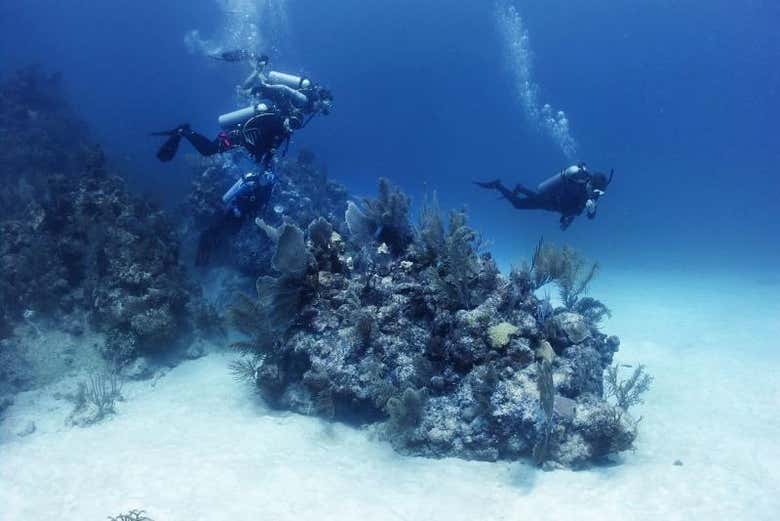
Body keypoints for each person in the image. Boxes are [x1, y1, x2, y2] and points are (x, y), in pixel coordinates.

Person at [476, 163, 613, 230]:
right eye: (596, 191)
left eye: (600, 193)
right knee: (518, 205)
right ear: (590, 183)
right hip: (551, 200)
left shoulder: (594, 194)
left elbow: (588, 215)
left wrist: (592, 211)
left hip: (554, 205)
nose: (596, 195)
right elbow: (571, 208)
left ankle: (520, 188)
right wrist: (568, 216)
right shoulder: (576, 183)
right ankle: (498, 185)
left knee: (535, 198)